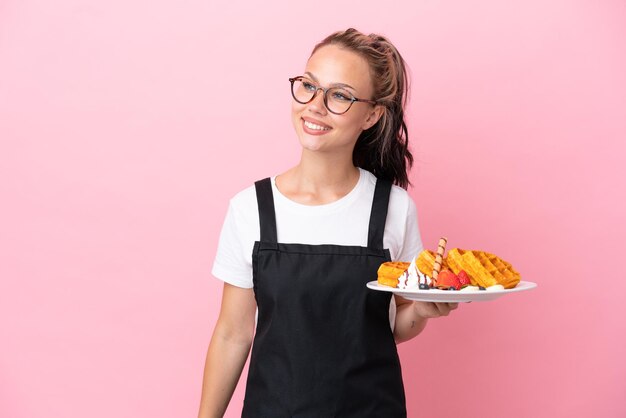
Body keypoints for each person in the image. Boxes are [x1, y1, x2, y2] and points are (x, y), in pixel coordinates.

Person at [198, 28, 458, 418]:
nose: (315, 106)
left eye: (339, 95)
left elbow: (394, 324)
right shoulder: (250, 208)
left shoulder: (393, 209)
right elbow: (232, 334)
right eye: (308, 86)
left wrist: (422, 310)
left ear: (371, 114)